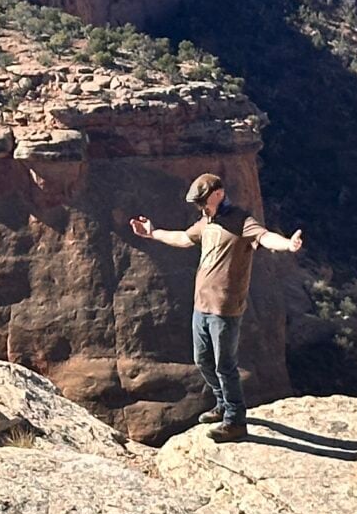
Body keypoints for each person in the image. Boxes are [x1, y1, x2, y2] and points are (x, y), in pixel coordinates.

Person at [130, 173, 304, 441]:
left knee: (225, 365)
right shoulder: (206, 222)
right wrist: (153, 233)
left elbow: (266, 237)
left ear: (219, 194)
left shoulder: (241, 220)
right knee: (202, 360)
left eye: (203, 201)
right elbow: (183, 239)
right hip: (201, 305)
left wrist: (288, 245)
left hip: (225, 308)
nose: (201, 207)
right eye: (198, 203)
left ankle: (235, 420)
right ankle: (223, 404)